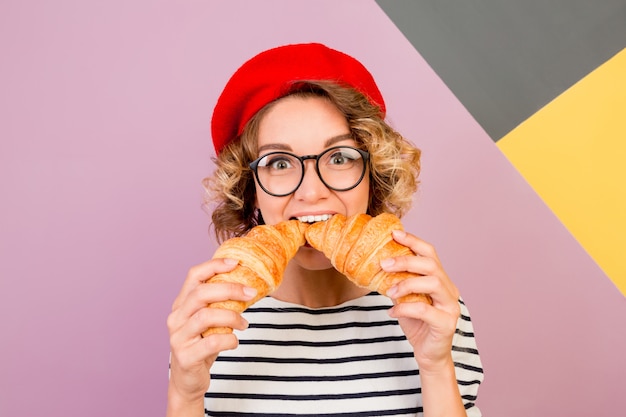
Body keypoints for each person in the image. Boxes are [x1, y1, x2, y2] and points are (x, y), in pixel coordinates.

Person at [166, 43, 483, 417]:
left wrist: (435, 366)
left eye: (339, 158)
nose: (312, 192)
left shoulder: (430, 306)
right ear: (249, 188)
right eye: (279, 163)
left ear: (373, 175)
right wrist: (184, 396)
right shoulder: (210, 320)